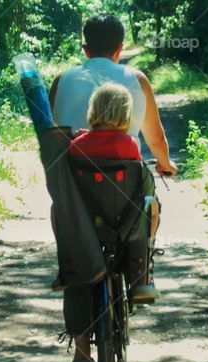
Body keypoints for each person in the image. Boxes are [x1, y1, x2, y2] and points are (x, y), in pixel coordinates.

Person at [50, 14, 177, 362]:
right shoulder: (136, 80)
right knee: (147, 205)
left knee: (75, 252)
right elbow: (155, 140)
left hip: (77, 198)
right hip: (125, 199)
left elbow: (50, 136)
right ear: (120, 50)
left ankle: (81, 354)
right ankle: (141, 275)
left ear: (84, 48)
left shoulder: (61, 80)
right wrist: (166, 166)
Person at [68, 82, 159, 302]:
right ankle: (144, 268)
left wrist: (82, 138)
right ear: (125, 113)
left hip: (87, 222)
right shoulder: (129, 145)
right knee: (152, 206)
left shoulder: (76, 146)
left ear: (94, 110)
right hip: (125, 222)